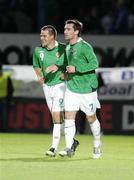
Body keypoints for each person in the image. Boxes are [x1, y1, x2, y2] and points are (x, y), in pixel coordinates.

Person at [57, 19, 102, 159]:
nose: (65, 31)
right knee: (69, 117)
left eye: (68, 29)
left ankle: (97, 145)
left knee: (91, 118)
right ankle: (69, 146)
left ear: (76, 31)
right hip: (71, 88)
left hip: (87, 89)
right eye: (64, 29)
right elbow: (67, 66)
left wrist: (77, 69)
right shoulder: (67, 47)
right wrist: (64, 73)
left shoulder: (85, 47)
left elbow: (95, 63)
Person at [32, 25, 79, 157]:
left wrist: (64, 72)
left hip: (60, 85)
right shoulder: (38, 51)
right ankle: (72, 142)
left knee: (56, 115)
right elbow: (36, 65)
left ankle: (53, 147)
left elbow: (72, 63)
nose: (42, 38)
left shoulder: (64, 48)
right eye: (41, 35)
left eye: (44, 35)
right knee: (57, 117)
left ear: (52, 36)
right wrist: (40, 76)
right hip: (47, 86)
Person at [0, 63, 14, 130]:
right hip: (3, 100)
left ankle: (4, 129)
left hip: (3, 100)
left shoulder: (6, 77)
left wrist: (10, 100)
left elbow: (10, 89)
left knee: (3, 116)